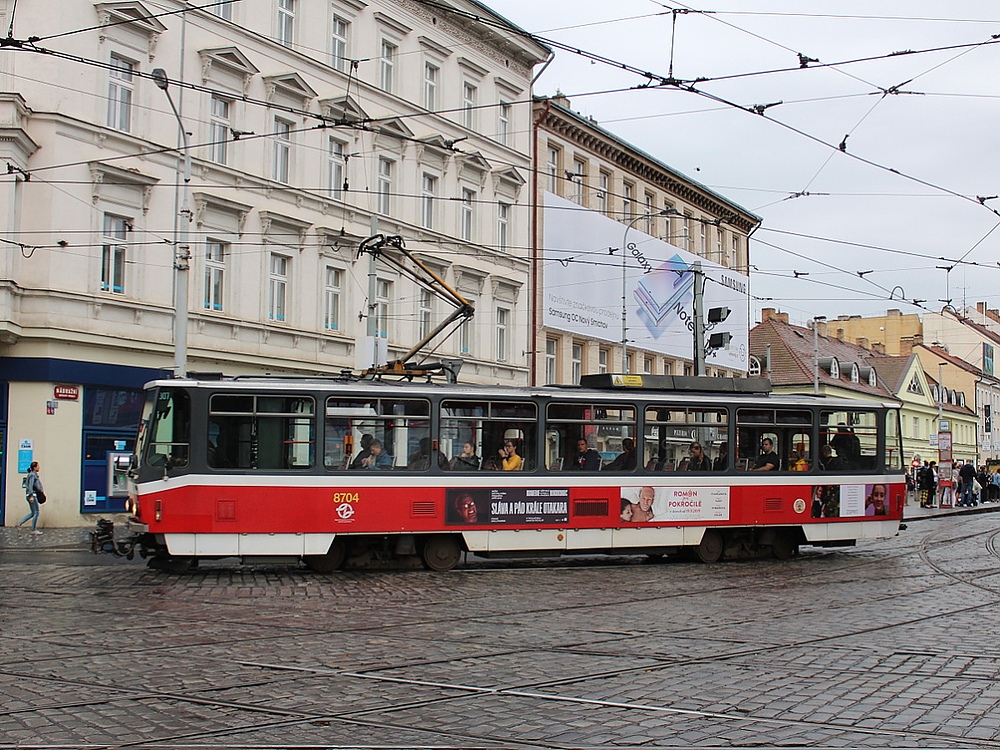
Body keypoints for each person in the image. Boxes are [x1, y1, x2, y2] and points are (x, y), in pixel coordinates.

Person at [16, 461, 43, 534]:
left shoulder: (34, 475)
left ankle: (19, 523)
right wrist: (31, 496)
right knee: (36, 512)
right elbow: (30, 486)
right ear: (34, 467)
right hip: (32, 496)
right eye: (38, 466)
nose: (39, 467)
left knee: (32, 513)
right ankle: (33, 529)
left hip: (33, 495)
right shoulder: (32, 475)